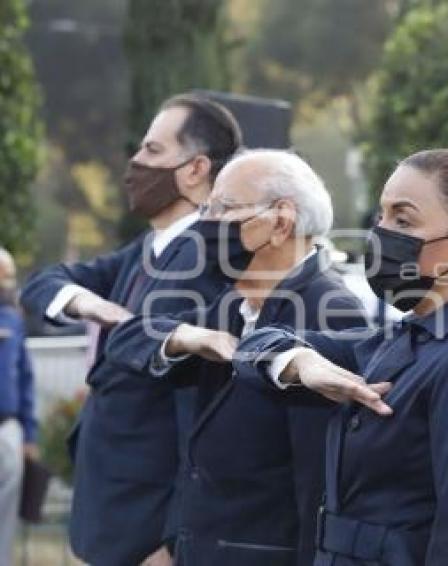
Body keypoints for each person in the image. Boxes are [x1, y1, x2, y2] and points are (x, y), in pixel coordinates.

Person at [235, 148, 448, 566]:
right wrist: (303, 363)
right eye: (382, 216)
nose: (381, 233)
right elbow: (255, 347)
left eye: (403, 220)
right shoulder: (399, 340)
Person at [105, 149, 367, 566]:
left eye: (223, 209)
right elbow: (124, 341)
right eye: (206, 209)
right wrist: (191, 337)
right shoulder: (228, 305)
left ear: (280, 222)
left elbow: (318, 484)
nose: (206, 224)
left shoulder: (330, 309)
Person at [21, 93, 242, 565]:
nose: (135, 163)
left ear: (195, 169)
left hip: (148, 532)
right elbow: (43, 283)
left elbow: (198, 412)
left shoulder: (207, 256)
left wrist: (173, 539)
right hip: (107, 514)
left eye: (153, 151)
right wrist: (91, 304)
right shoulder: (147, 249)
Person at [0, 247, 37, 564]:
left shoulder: (12, 319)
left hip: (7, 428)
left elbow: (25, 378)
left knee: (6, 516)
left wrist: (29, 434)